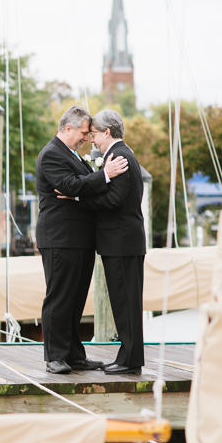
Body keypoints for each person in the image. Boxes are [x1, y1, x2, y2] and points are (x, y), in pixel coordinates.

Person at [35, 105, 129, 374]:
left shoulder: (72, 154)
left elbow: (79, 186)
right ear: (68, 128)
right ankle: (54, 357)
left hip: (79, 239)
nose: (87, 138)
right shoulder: (52, 154)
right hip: (60, 237)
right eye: (84, 133)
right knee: (59, 297)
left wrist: (86, 183)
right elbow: (70, 186)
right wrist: (105, 174)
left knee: (76, 300)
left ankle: (74, 355)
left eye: (88, 134)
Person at [71, 109, 146, 375]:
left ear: (107, 132)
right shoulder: (123, 154)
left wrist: (79, 199)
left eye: (94, 134)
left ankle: (129, 360)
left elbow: (114, 200)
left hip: (122, 241)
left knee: (126, 302)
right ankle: (128, 356)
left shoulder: (119, 156)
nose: (92, 140)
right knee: (125, 302)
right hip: (123, 240)